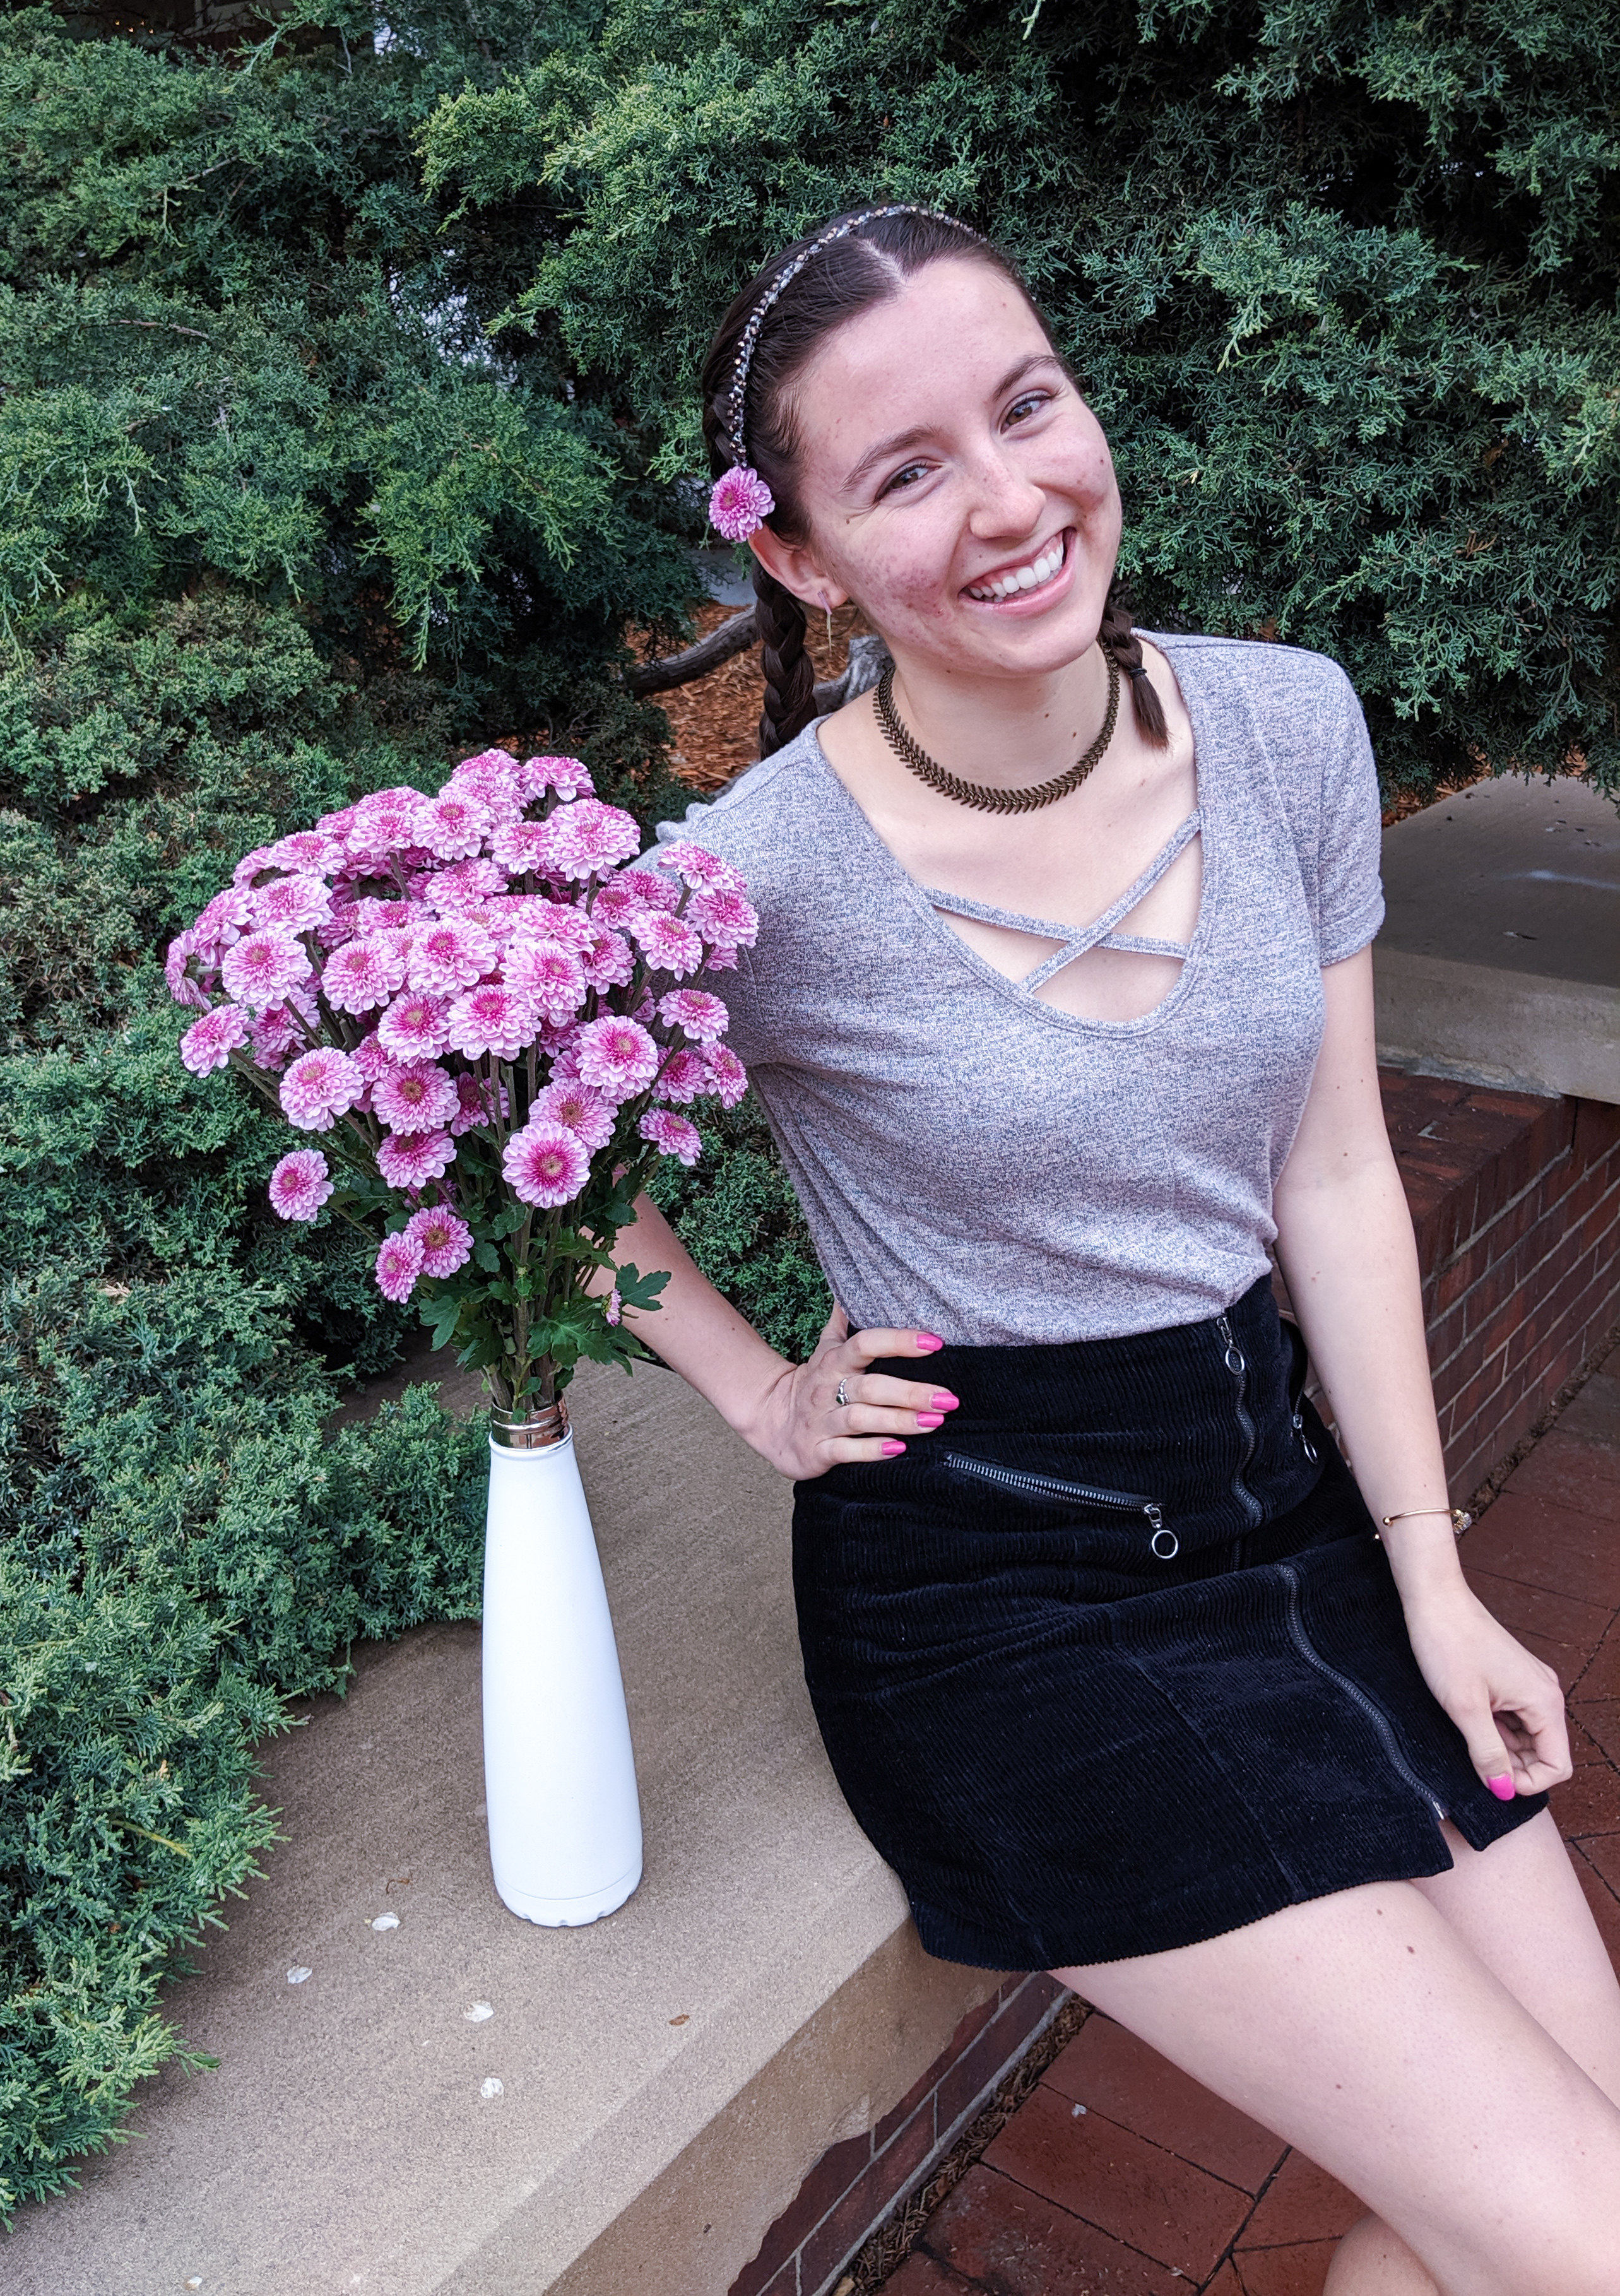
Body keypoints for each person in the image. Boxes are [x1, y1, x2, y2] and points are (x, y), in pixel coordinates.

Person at [606, 205, 1620, 2292]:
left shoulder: (1283, 726)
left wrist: (1434, 1578)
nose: (1011, 500)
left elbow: (1335, 1172)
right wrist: (753, 1386)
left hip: (1280, 1501)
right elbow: (507, 1159)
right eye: (904, 472)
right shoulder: (751, 877)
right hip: (997, 1595)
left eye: (1028, 404)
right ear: (795, 555)